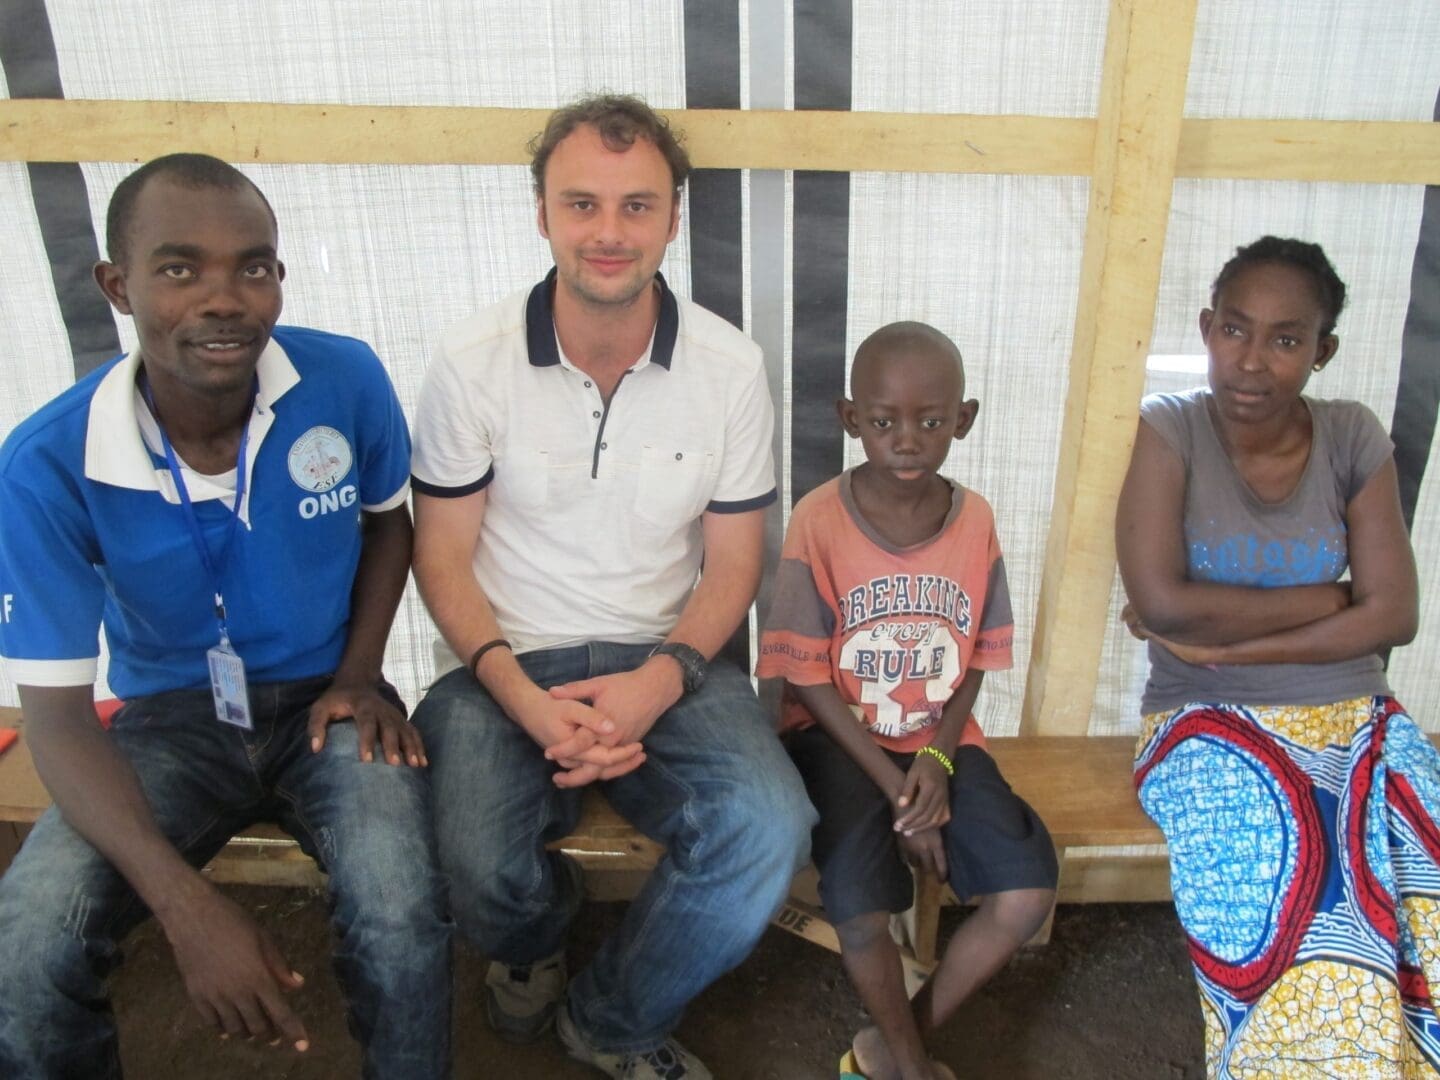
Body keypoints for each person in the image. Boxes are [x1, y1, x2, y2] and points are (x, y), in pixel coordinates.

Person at [0, 154, 451, 1078]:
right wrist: (184, 905)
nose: (223, 298)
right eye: (178, 269)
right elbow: (53, 717)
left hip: (331, 699)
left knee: (403, 912)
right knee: (32, 932)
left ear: (279, 278)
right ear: (117, 287)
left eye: (252, 266)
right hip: (171, 721)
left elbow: (387, 524)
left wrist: (362, 676)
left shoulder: (341, 379)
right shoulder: (48, 461)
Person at [408, 94, 814, 1080]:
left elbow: (733, 564)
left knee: (769, 828)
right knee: (475, 862)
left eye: (637, 206)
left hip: (665, 657)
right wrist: (524, 699)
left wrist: (660, 680)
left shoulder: (728, 367)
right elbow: (442, 558)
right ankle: (533, 941)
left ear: (674, 218)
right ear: (540, 212)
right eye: (581, 204)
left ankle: (613, 1017)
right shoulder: (472, 364)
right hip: (505, 665)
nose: (608, 232)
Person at [1116, 236, 1435, 1076]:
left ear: (1322, 351)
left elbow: (1395, 615)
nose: (1251, 361)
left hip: (1355, 713)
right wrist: (1334, 601)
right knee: (1298, 885)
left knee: (1417, 884)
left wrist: (1240, 640)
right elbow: (1161, 603)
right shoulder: (1171, 429)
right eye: (1234, 330)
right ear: (1206, 327)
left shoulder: (1351, 437)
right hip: (1203, 719)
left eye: (1286, 340)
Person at [757, 322, 1058, 1080]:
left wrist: (933, 757)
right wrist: (902, 794)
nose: (907, 441)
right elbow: (805, 675)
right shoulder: (818, 521)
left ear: (964, 418)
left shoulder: (976, 520)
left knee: (1026, 892)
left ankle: (897, 1049)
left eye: (931, 422)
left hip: (939, 740)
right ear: (850, 417)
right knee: (859, 908)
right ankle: (916, 1069)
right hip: (838, 742)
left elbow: (980, 656)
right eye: (884, 421)